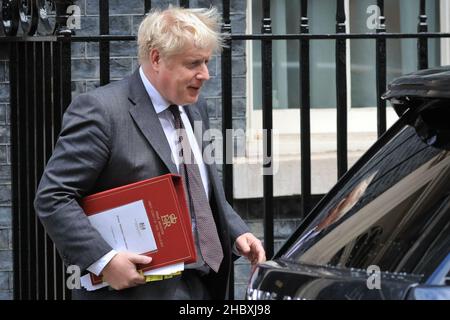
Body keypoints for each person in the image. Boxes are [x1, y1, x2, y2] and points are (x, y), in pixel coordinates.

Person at [34, 6, 265, 300]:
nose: (205, 74)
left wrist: (236, 233)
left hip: (203, 286)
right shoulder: (101, 112)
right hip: (135, 292)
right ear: (156, 58)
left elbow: (200, 190)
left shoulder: (195, 109)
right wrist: (104, 261)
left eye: (206, 62)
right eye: (194, 63)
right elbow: (53, 197)